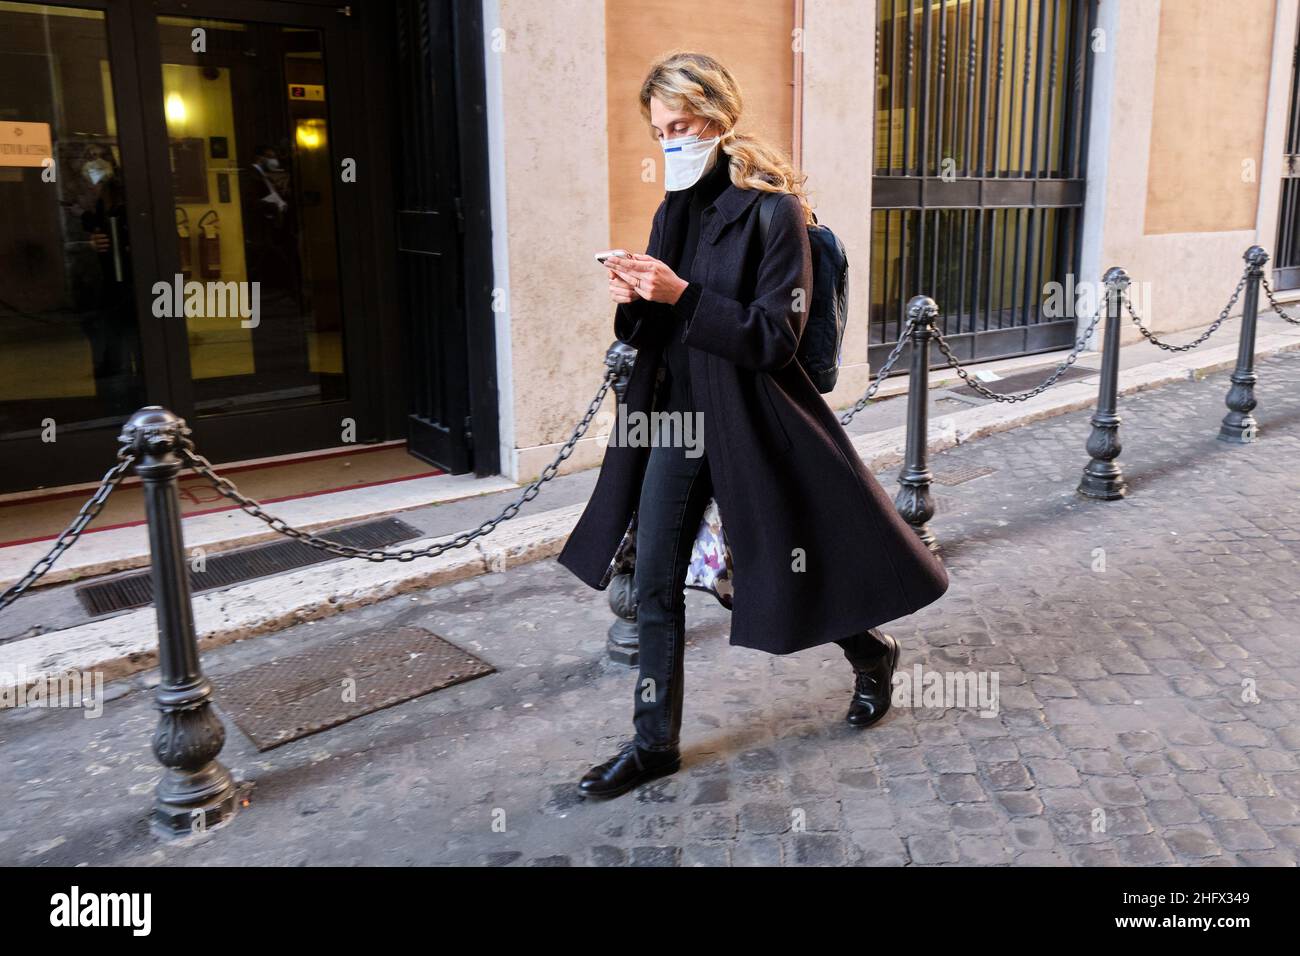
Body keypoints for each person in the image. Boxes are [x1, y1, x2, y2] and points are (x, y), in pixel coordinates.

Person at [556, 51, 949, 799]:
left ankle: (870, 652)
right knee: (658, 579)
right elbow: (657, 326)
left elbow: (774, 339)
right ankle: (654, 745)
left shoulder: (777, 213)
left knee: (784, 561)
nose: (671, 140)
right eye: (660, 129)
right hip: (675, 418)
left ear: (718, 115)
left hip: (749, 418)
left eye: (682, 124)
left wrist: (680, 293)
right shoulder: (674, 207)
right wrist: (636, 293)